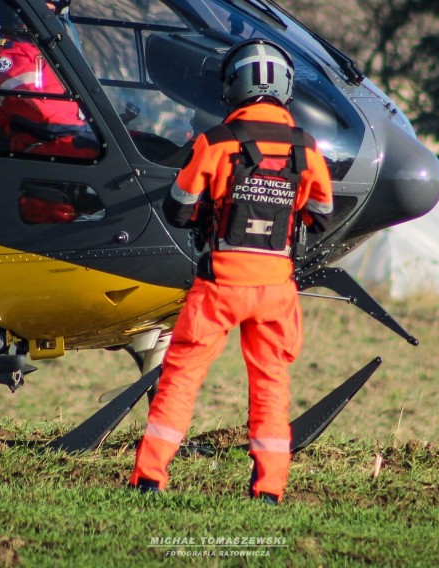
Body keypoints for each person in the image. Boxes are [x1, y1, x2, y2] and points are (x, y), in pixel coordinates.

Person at [129, 39, 334, 504]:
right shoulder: (307, 148)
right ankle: (268, 489)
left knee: (181, 376)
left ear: (231, 88)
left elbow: (178, 208)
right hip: (276, 287)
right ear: (284, 89)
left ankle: (149, 479)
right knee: (271, 387)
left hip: (219, 283)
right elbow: (322, 213)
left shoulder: (215, 143)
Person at [0, 0, 97, 158]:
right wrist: (88, 132)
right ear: (16, 15)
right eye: (44, 12)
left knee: (135, 141)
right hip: (34, 146)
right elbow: (41, 117)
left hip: (67, 134)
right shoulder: (8, 58)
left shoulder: (42, 52)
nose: (48, 20)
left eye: (52, 13)